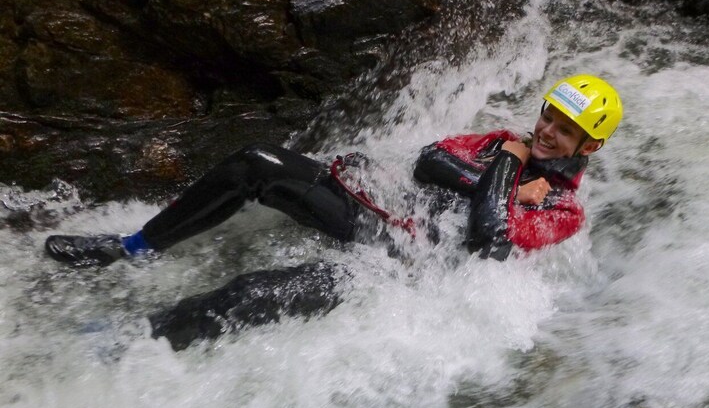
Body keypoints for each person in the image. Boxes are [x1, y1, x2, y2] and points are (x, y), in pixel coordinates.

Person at [45, 74, 622, 348]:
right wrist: (503, 169)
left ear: (588, 147)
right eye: (548, 116)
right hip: (376, 218)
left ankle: (131, 342)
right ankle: (133, 248)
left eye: (565, 130)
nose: (546, 131)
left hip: (401, 275)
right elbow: (429, 163)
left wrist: (504, 169)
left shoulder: (564, 212)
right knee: (256, 163)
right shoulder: (500, 139)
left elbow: (488, 237)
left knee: (249, 293)